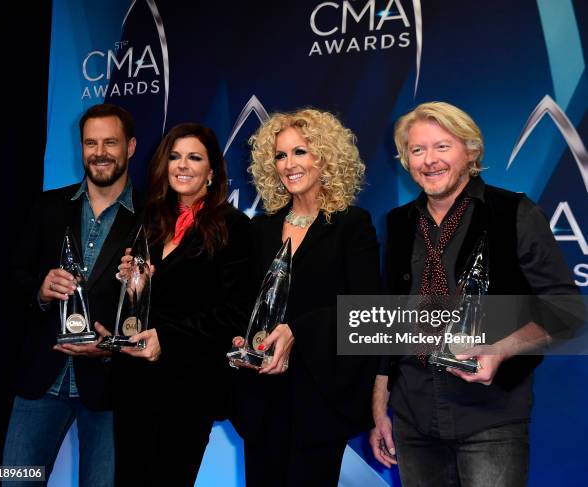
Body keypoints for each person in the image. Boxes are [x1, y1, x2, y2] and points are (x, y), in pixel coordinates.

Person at [369, 101, 581, 486]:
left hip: (490, 415)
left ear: (470, 151)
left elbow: (567, 308)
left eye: (442, 147)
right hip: (412, 416)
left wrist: (501, 349)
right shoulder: (399, 223)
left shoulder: (513, 212)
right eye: (417, 150)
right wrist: (381, 407)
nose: (429, 160)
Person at [232, 108, 381, 487]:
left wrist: (298, 330)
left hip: (318, 397)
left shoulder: (352, 225)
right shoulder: (260, 228)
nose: (288, 164)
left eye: (300, 152)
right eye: (280, 155)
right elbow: (243, 304)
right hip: (263, 398)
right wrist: (240, 339)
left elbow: (366, 312)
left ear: (325, 157)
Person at [4, 103, 140, 486]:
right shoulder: (48, 205)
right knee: (11, 479)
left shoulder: (151, 217)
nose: (99, 152)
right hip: (40, 380)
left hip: (112, 389)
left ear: (130, 147)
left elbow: (158, 307)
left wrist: (113, 344)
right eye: (90, 143)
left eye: (110, 142)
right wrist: (41, 289)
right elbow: (13, 277)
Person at [112, 123, 255, 486]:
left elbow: (236, 314)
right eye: (175, 156)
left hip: (190, 387)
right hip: (136, 385)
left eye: (195, 157)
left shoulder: (232, 226)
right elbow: (141, 303)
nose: (182, 165)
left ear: (212, 171)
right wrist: (133, 288)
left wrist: (168, 338)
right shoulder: (149, 220)